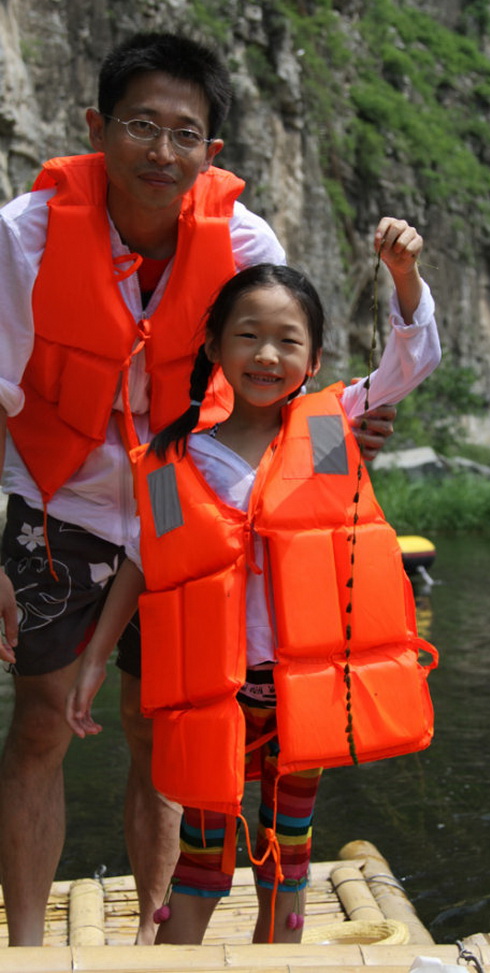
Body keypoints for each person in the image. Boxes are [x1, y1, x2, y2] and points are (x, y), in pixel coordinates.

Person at [0, 30, 394, 947]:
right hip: (60, 503)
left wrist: (342, 434)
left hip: (186, 511)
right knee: (42, 724)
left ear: (211, 151)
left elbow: (280, 383)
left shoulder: (245, 242)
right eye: (141, 125)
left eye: (185, 133)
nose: (161, 150)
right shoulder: (24, 235)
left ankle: (156, 941)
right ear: (97, 128)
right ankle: (23, 948)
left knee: (167, 725)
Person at [65, 229, 440, 946]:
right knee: (202, 860)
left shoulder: (327, 432)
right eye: (248, 336)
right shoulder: (176, 460)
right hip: (217, 695)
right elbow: (147, 562)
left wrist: (404, 275)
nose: (268, 355)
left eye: (288, 341)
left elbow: (412, 361)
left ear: (314, 360)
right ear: (214, 346)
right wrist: (93, 661)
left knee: (287, 852)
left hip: (308, 692)